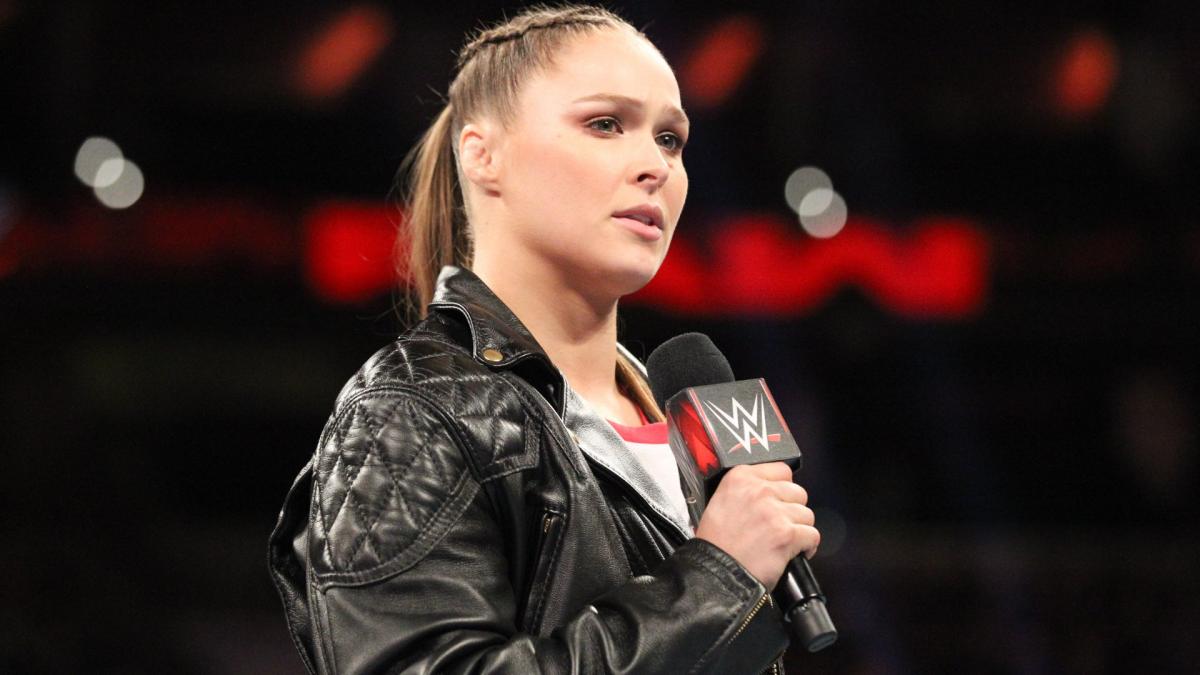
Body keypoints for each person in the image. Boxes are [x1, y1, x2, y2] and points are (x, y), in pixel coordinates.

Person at [268, 5, 821, 673]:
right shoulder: (410, 414)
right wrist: (715, 579)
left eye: (670, 139)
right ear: (483, 155)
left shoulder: (682, 417)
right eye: (605, 124)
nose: (654, 164)